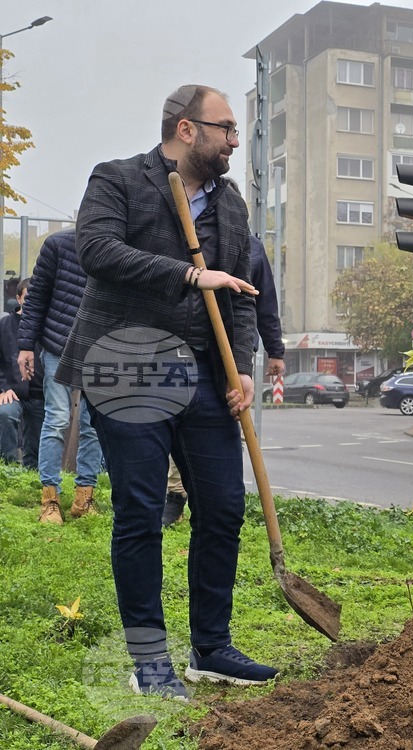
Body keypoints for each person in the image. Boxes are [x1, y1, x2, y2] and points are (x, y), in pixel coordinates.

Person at [56, 84, 275, 700]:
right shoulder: (119, 179)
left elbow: (241, 293)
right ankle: (150, 660)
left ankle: (212, 648)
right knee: (142, 511)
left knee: (222, 506)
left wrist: (242, 368)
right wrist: (188, 273)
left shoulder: (231, 203)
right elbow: (97, 251)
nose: (235, 141)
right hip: (126, 363)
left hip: (205, 370)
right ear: (186, 129)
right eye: (226, 128)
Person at [162, 232, 284, 527]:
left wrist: (275, 351)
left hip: (234, 354)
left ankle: (216, 498)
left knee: (228, 421)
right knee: (177, 422)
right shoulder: (188, 240)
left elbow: (263, 301)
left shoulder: (252, 247)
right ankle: (176, 494)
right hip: (185, 350)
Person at [17, 229, 105, 523]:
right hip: (59, 346)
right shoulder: (58, 245)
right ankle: (50, 499)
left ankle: (84, 497)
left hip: (100, 350)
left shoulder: (116, 246)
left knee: (94, 425)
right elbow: (36, 297)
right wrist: (26, 345)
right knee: (56, 419)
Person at [0, 279, 44, 467]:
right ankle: (7, 469)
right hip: (12, 391)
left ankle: (32, 477)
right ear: (18, 299)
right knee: (5, 414)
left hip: (41, 393)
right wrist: (3, 388)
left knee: (35, 451)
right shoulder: (4, 325)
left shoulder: (47, 327)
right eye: (27, 297)